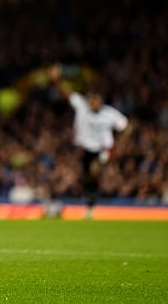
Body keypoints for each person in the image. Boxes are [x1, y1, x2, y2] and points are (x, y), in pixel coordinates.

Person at [48, 64, 130, 218]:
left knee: (94, 171)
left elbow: (126, 126)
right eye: (92, 100)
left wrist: (119, 143)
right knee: (84, 176)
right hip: (85, 148)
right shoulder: (82, 106)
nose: (94, 103)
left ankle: (91, 202)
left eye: (96, 100)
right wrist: (57, 80)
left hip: (103, 149)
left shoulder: (109, 113)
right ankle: (88, 202)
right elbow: (68, 93)